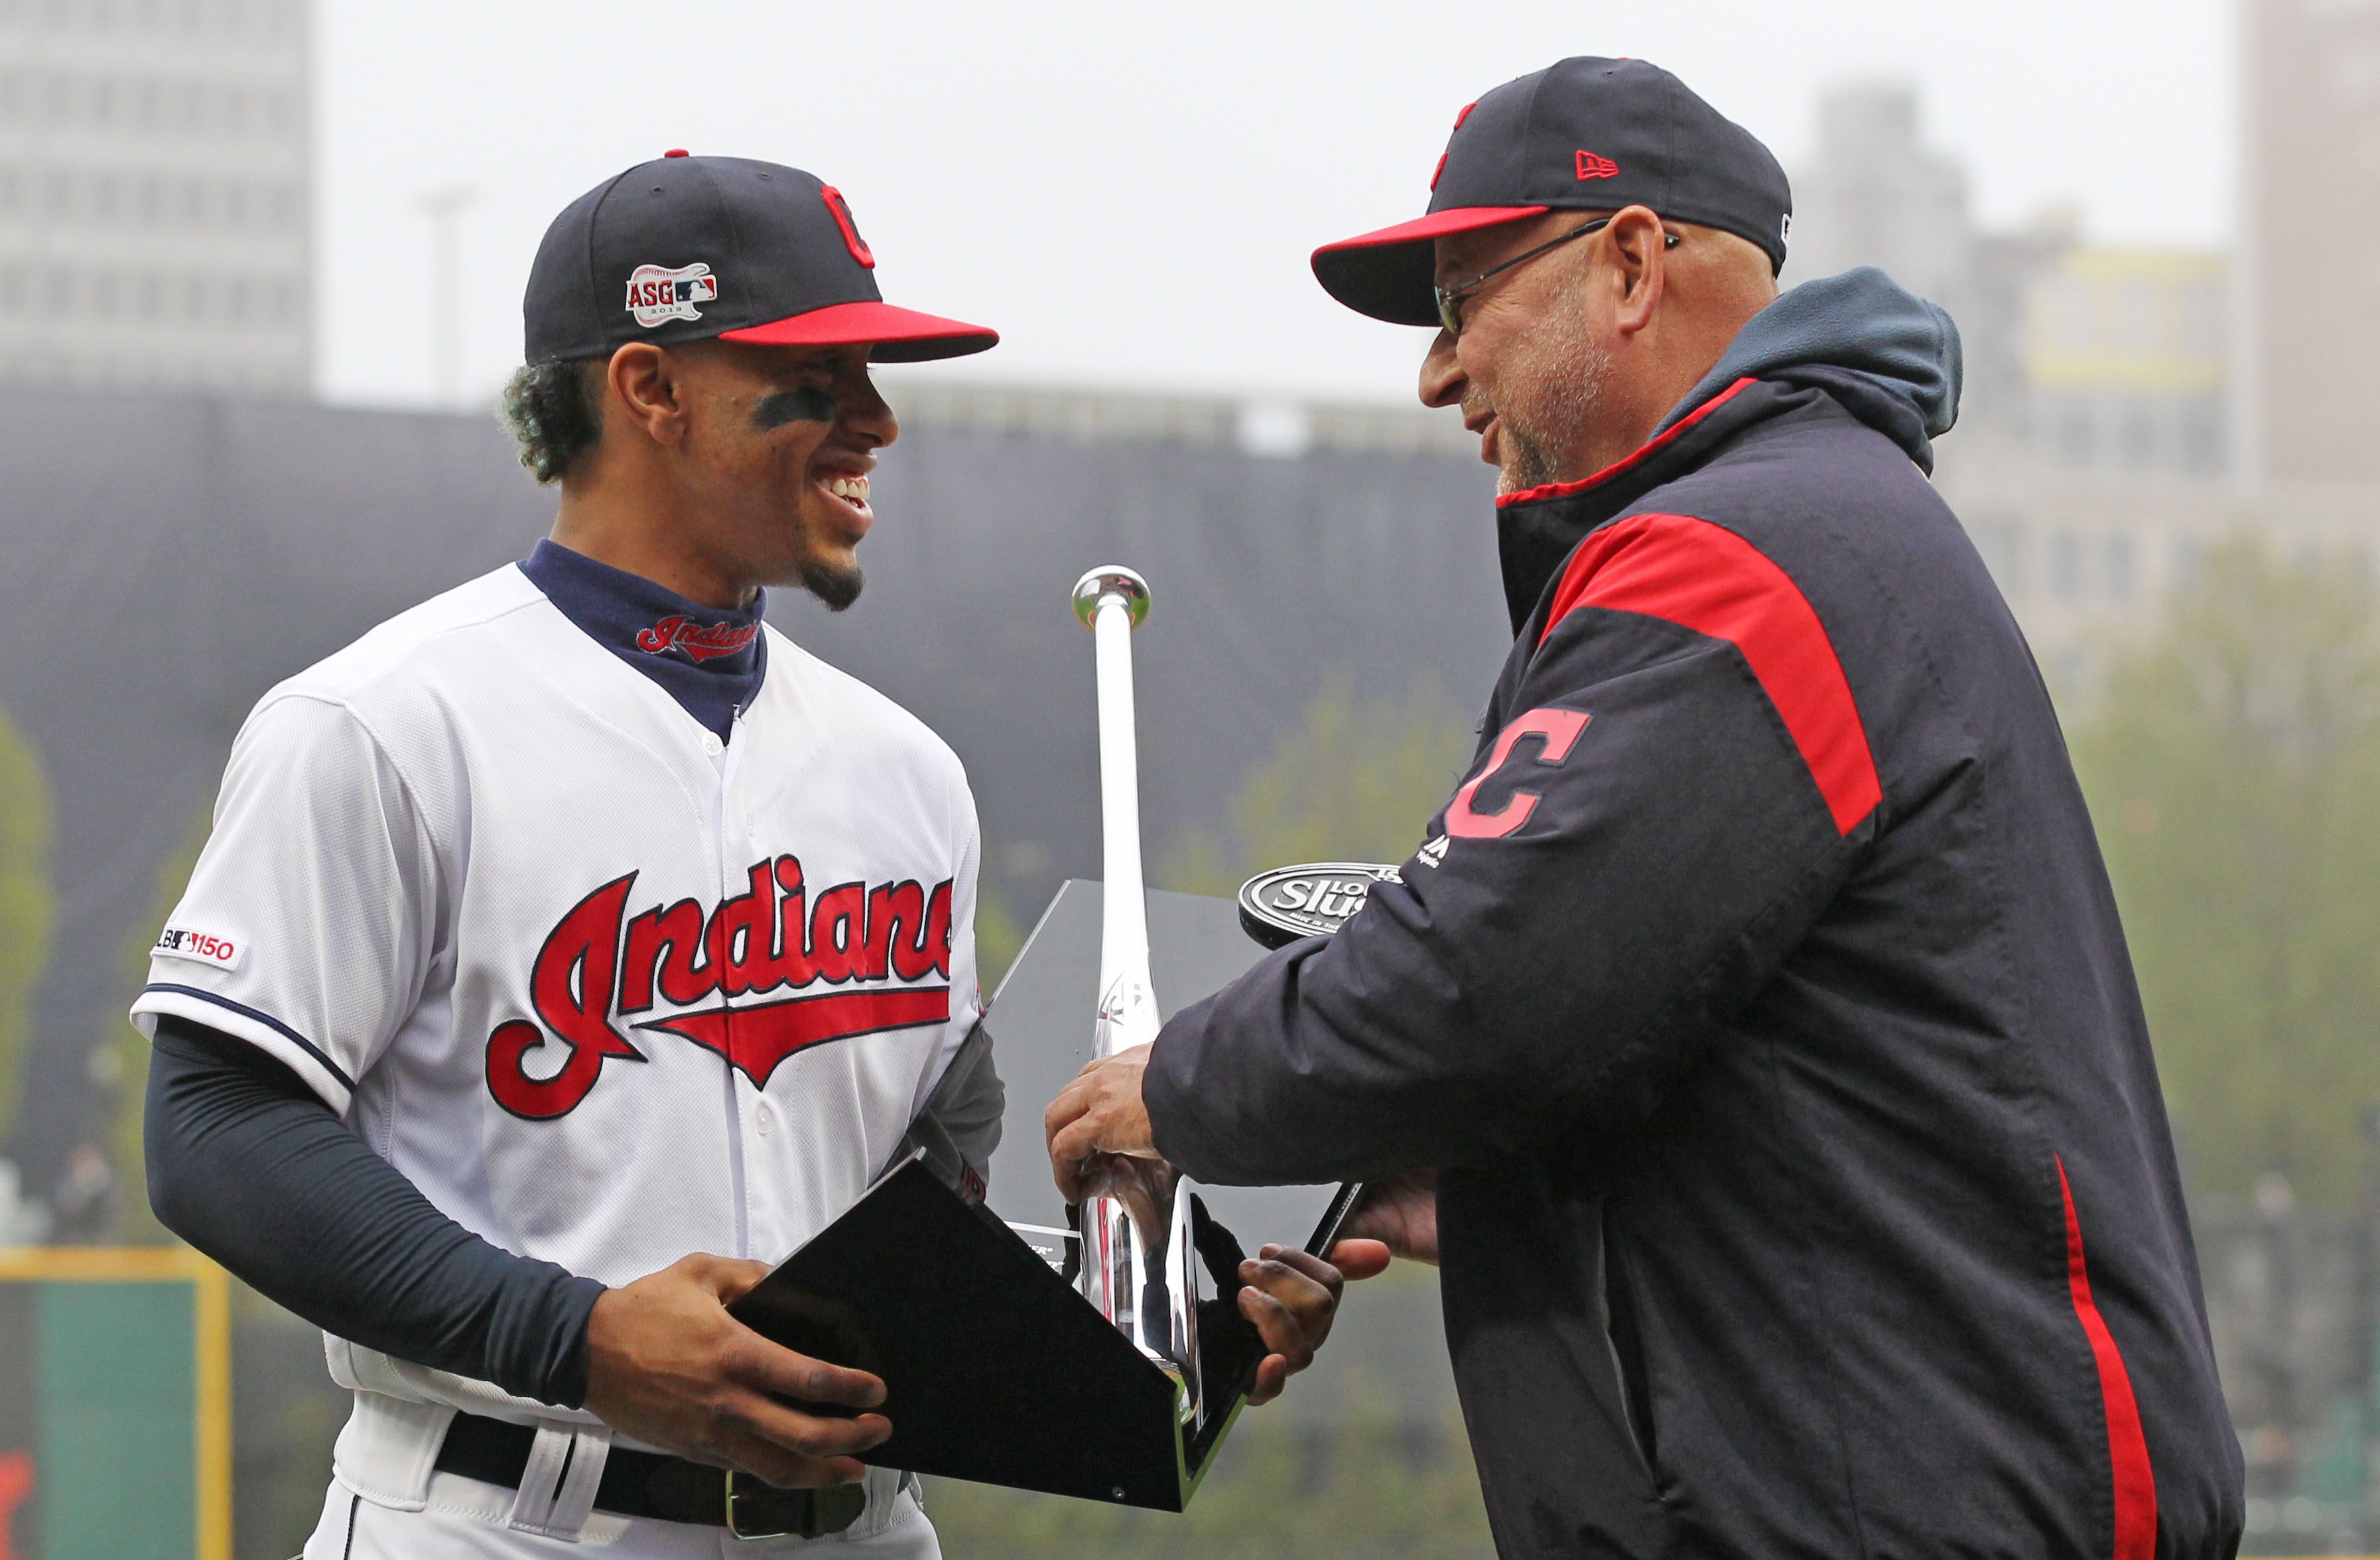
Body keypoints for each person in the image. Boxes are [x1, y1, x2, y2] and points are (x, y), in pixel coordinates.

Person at [1047, 58, 2245, 1559]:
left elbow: (1488, 976)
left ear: (1626, 264)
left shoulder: (1740, 556)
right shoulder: (1809, 522)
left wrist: (1180, 1082)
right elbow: (1709, 1043)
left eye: (1463, 298)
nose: (1436, 372)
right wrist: (1496, 1193)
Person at [137, 151, 1344, 1558]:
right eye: (820, 375)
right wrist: (578, 1338)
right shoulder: (387, 724)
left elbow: (940, 1201)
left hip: (861, 1524)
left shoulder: (906, 773)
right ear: (649, 390)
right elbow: (216, 1125)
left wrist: (1183, 1297)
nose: (878, 421)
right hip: (503, 1513)